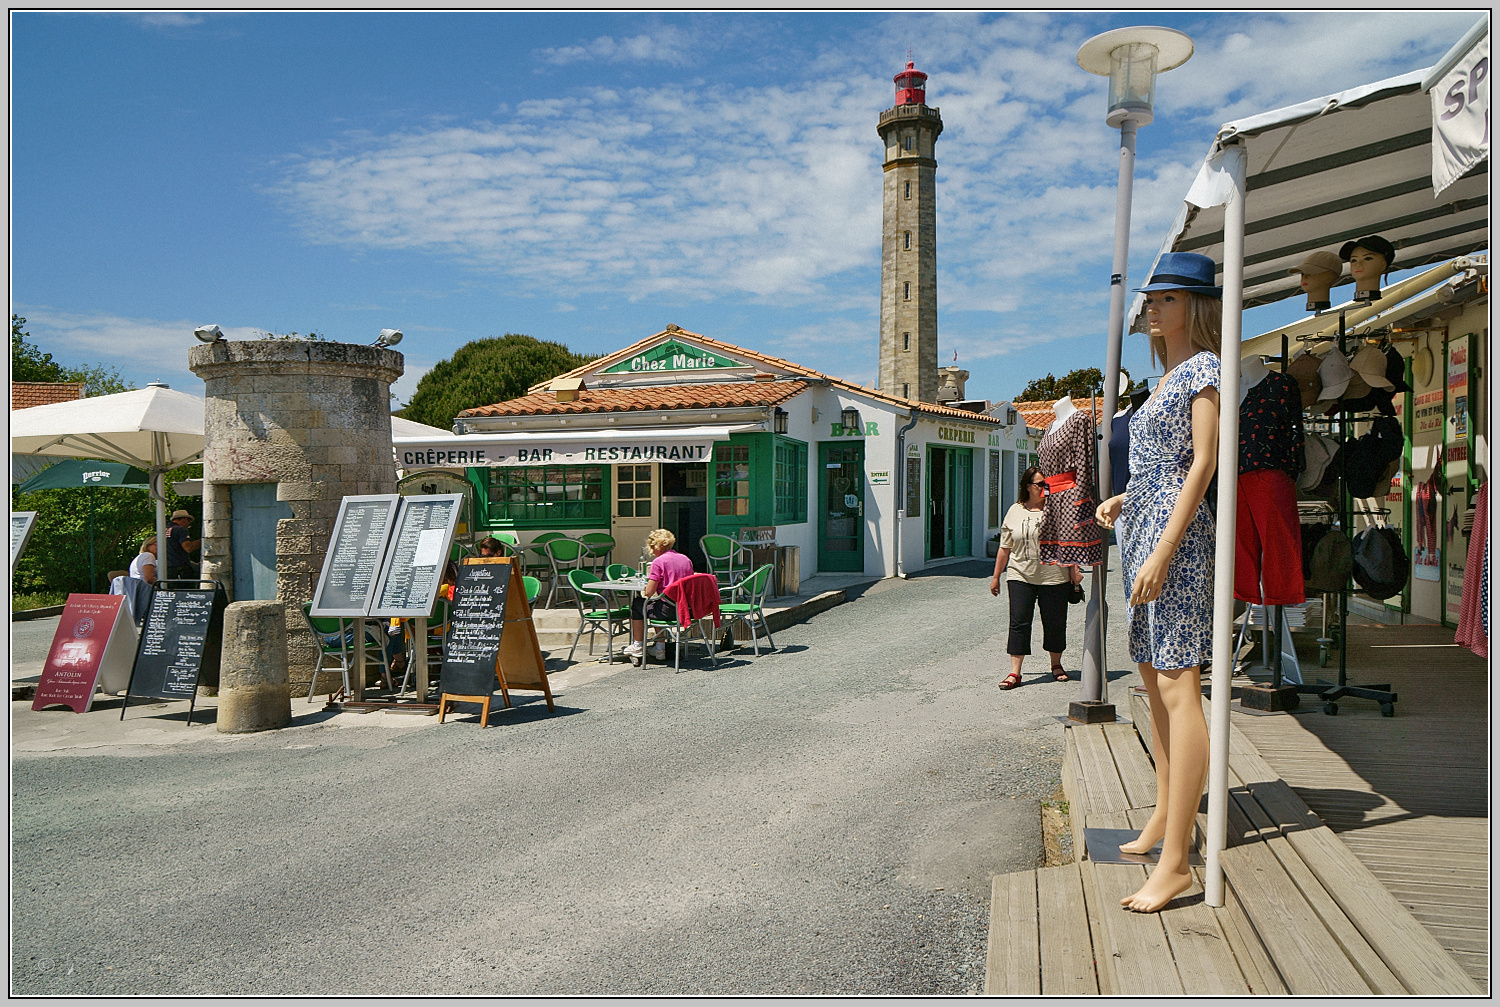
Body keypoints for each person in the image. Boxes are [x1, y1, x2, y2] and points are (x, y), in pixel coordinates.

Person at [1094, 250, 1222, 914]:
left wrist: (1166, 547)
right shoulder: (1170, 374)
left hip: (1172, 542)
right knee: (1152, 677)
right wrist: (1126, 503)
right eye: (1154, 298)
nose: (1153, 306)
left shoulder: (1203, 368)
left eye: (1166, 299)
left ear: (1192, 307)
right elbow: (1160, 465)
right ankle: (1164, 821)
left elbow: (1202, 465)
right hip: (1144, 530)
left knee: (1179, 685)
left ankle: (1177, 860)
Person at [989, 466, 1082, 689]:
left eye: (1046, 485)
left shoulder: (1057, 510)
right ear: (1027, 486)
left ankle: (1056, 664)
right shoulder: (1014, 511)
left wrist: (1074, 570)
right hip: (1020, 574)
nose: (1044, 489)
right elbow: (1004, 547)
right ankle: (1014, 672)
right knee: (1019, 622)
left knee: (1055, 623)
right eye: (1040, 484)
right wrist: (996, 577)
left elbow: (1068, 542)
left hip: (1054, 576)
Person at [624, 529, 694, 663]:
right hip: (686, 609)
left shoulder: (659, 562)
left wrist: (647, 584)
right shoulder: (685, 559)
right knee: (656, 605)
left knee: (638, 604)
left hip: (667, 611)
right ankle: (660, 648)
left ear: (656, 546)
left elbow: (649, 592)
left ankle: (638, 646)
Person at [163, 509, 201, 581]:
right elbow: (188, 548)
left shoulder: (163, 530)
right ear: (185, 519)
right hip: (180, 569)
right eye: (189, 522)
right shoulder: (180, 529)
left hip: (166, 569)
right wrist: (204, 540)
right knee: (184, 591)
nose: (188, 525)